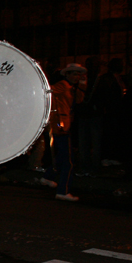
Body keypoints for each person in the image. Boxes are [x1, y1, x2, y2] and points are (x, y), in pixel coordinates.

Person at [41, 63, 88, 201]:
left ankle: (48, 177)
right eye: (74, 74)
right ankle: (63, 190)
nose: (76, 77)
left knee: (62, 156)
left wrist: (83, 84)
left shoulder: (71, 88)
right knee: (68, 160)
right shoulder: (63, 85)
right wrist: (55, 113)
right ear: (67, 74)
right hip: (60, 126)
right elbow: (48, 92)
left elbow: (79, 100)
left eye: (78, 74)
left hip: (63, 125)